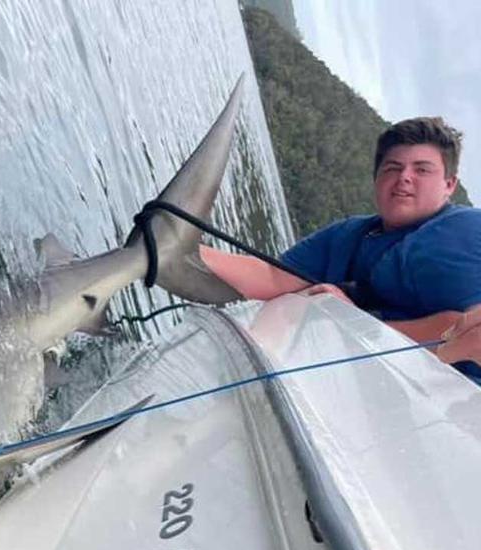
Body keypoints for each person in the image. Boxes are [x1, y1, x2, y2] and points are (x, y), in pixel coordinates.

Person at [198, 117, 481, 382]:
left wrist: (355, 322)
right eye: (393, 168)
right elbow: (274, 277)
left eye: (422, 169)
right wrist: (183, 253)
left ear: (449, 184)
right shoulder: (350, 235)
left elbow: (464, 333)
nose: (405, 177)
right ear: (376, 178)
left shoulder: (466, 231)